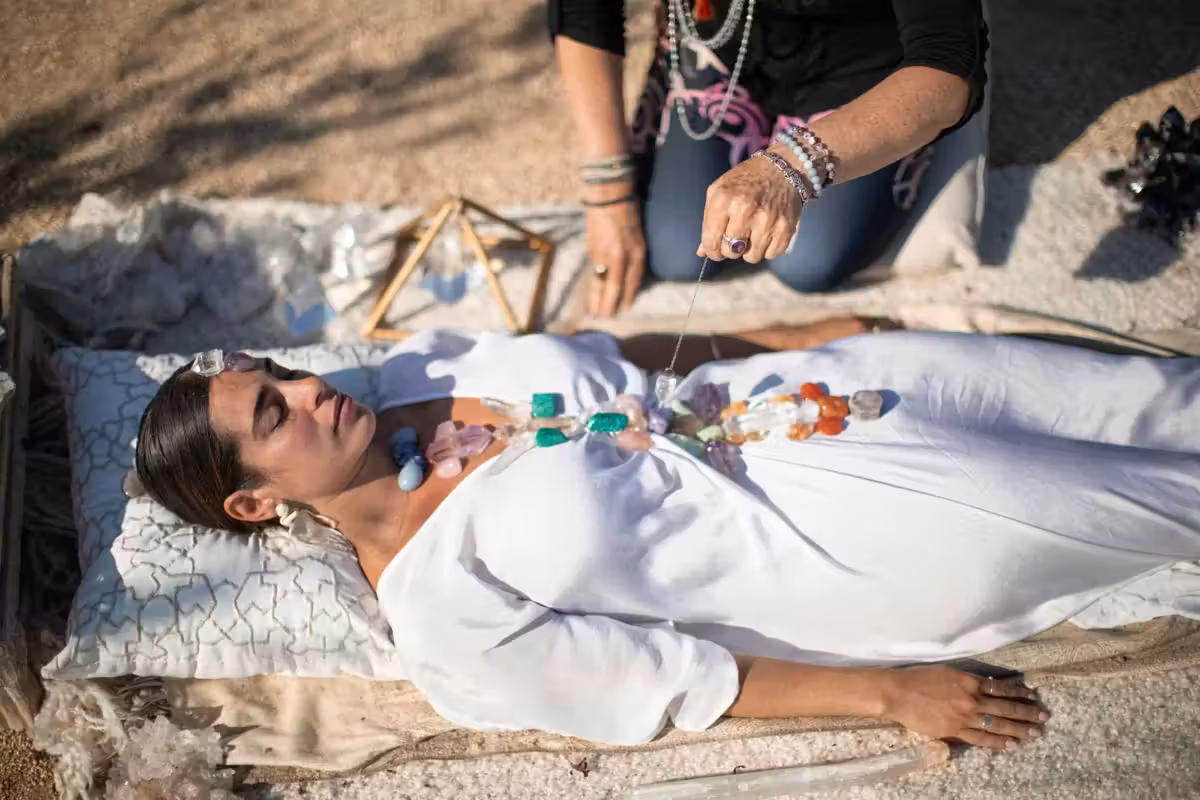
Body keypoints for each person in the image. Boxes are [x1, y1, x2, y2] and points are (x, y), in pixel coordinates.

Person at [134, 320, 1200, 750]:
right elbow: (674, 679)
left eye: (283, 373)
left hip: (818, 391)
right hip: (835, 536)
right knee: (1145, 498)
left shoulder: (418, 366)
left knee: (1155, 397)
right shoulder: (442, 615)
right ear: (253, 502)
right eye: (274, 413)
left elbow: (630, 352)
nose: (309, 388)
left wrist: (811, 335)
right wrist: (892, 692)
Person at [549, 0, 990, 315]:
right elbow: (584, 11)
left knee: (808, 261)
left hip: (864, 54)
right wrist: (607, 191)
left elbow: (948, 63)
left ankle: (928, 125)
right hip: (718, 34)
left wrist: (795, 163)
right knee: (677, 252)